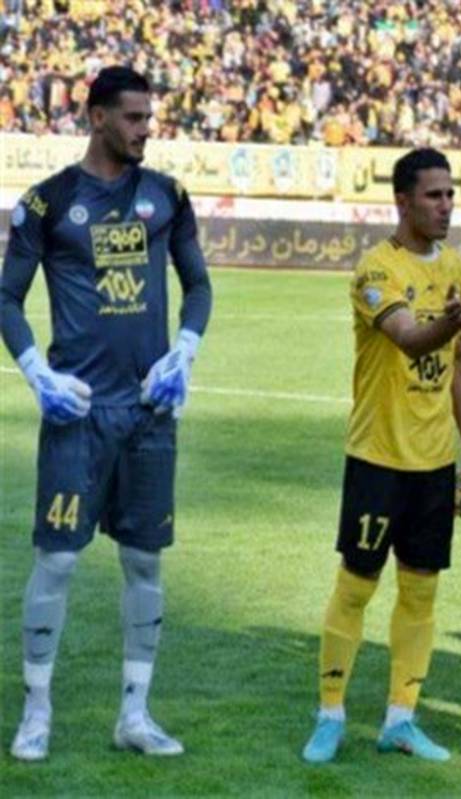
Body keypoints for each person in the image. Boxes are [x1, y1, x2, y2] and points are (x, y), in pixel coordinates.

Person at [2, 66, 213, 760]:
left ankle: (135, 715)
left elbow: (198, 285)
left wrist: (184, 350)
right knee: (58, 560)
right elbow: (6, 297)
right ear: (96, 117)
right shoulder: (49, 202)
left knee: (145, 563)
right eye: (133, 117)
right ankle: (36, 712)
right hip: (79, 415)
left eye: (149, 117)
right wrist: (37, 373)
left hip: (150, 414)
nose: (146, 129)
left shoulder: (167, 196)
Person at [301, 148, 461, 764]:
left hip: (433, 465)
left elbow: (459, 361)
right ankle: (330, 714)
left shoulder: (457, 270)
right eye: (434, 195)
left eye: (451, 194)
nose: (446, 205)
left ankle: (400, 720)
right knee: (356, 586)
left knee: (421, 592)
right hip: (377, 459)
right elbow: (409, 338)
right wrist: (447, 326)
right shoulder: (374, 270)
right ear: (402, 201)